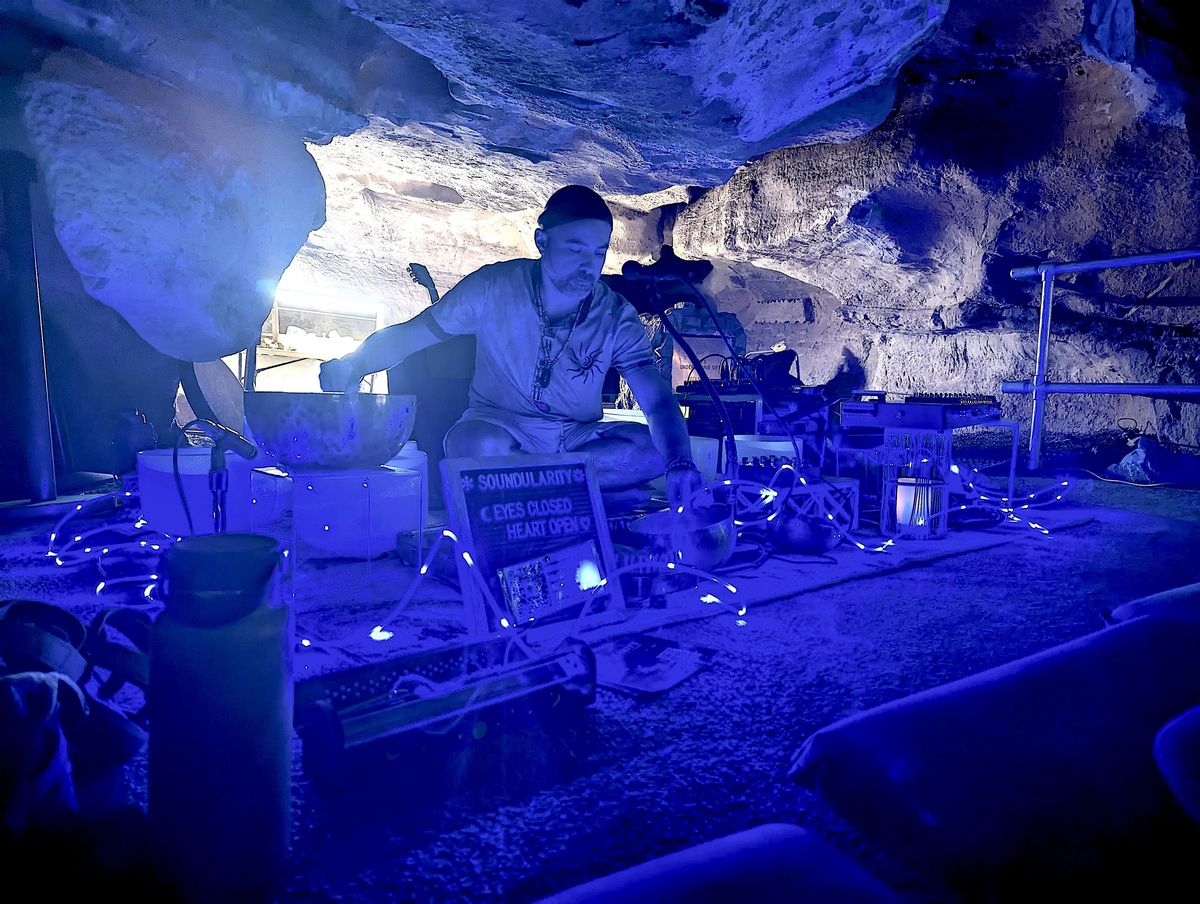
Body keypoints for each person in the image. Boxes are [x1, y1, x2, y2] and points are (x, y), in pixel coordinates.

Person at [319, 185, 703, 508]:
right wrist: (354, 365)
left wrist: (680, 464)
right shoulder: (492, 288)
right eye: (574, 249)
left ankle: (523, 486)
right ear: (542, 241)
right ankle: (573, 488)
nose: (589, 266)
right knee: (468, 443)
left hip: (575, 438)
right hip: (503, 428)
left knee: (656, 452)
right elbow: (412, 334)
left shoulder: (615, 314)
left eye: (598, 252)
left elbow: (657, 402)